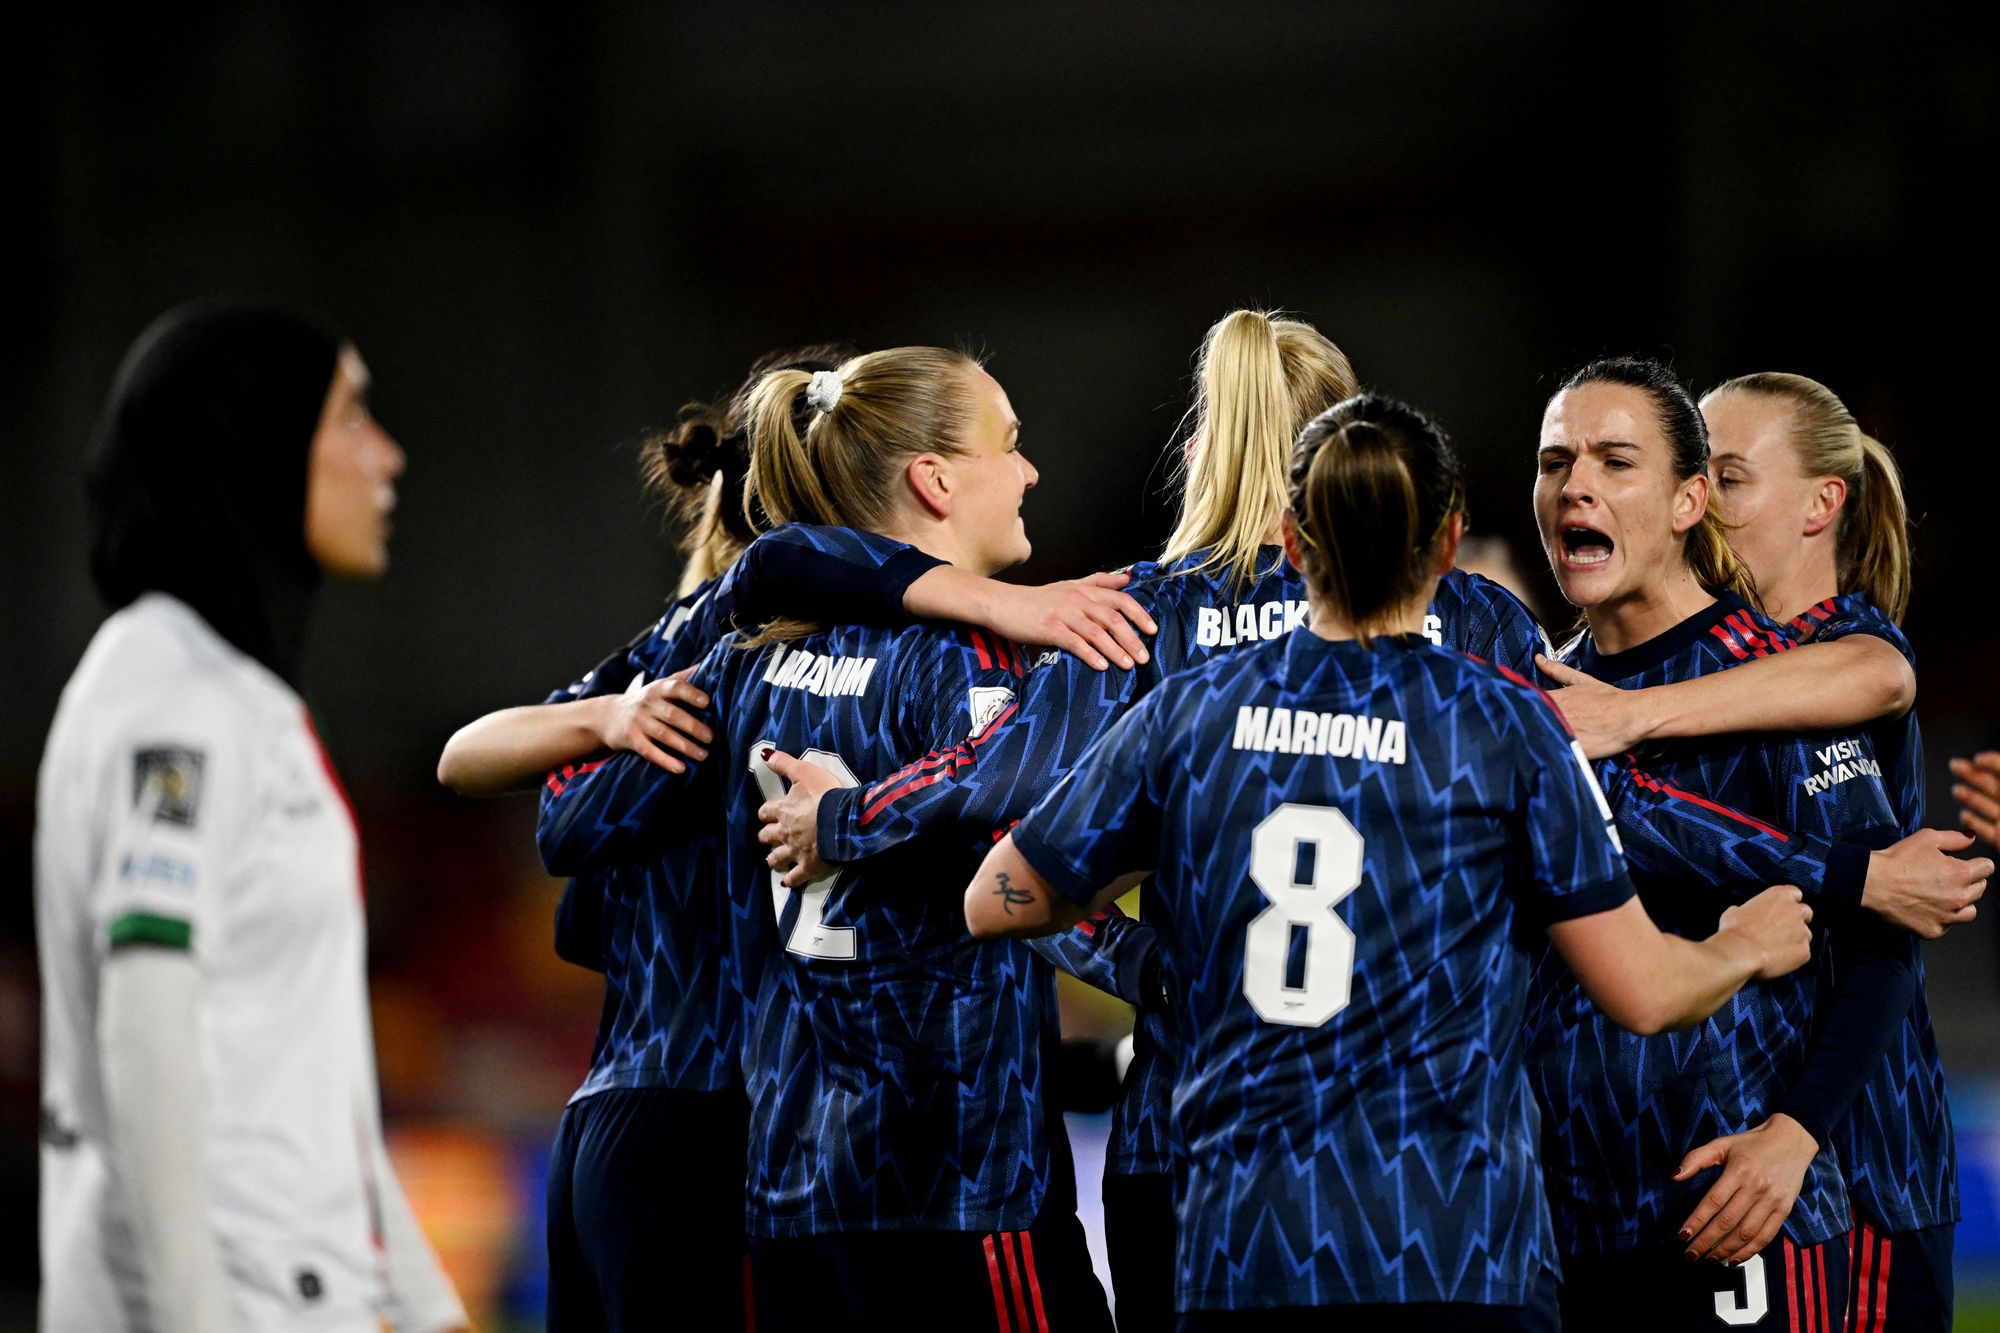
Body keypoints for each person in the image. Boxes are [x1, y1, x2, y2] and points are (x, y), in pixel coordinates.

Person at [752, 308, 1544, 1329]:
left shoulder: (1136, 617)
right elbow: (1568, 833)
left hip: (1190, 1146)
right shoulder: (1473, 619)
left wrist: (1133, 959)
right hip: (1437, 1168)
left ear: (1209, 448)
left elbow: (1008, 840)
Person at [961, 391, 1818, 1331]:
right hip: (1453, 1247)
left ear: (1293, 541)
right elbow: (1647, 992)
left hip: (1244, 1246)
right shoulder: (1502, 724)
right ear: (1450, 545)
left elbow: (996, 901)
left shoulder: (1191, 716)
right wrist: (1746, 942)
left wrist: (1162, 939)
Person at [436, 347, 1157, 1329]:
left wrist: (615, 734)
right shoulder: (957, 657)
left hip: (726, 1152)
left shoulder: (720, 664)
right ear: (930, 479)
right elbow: (1005, 872)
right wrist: (1151, 966)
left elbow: (565, 826)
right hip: (936, 1163)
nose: (1030, 471)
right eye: (1012, 444)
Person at [1522, 357, 1993, 1331]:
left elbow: (1883, 931)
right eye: (1556, 460)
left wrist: (1796, 1133)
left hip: (1838, 1175)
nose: (1582, 485)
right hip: (1599, 1200)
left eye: (1725, 475)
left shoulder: (1808, 666)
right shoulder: (1555, 682)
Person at [35, 302, 467, 1332]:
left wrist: (417, 1295)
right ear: (257, 442)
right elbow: (146, 1018)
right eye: (352, 415)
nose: (388, 455)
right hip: (237, 1298)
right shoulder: (168, 694)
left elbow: (305, 1074)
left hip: (298, 1289)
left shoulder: (227, 692)